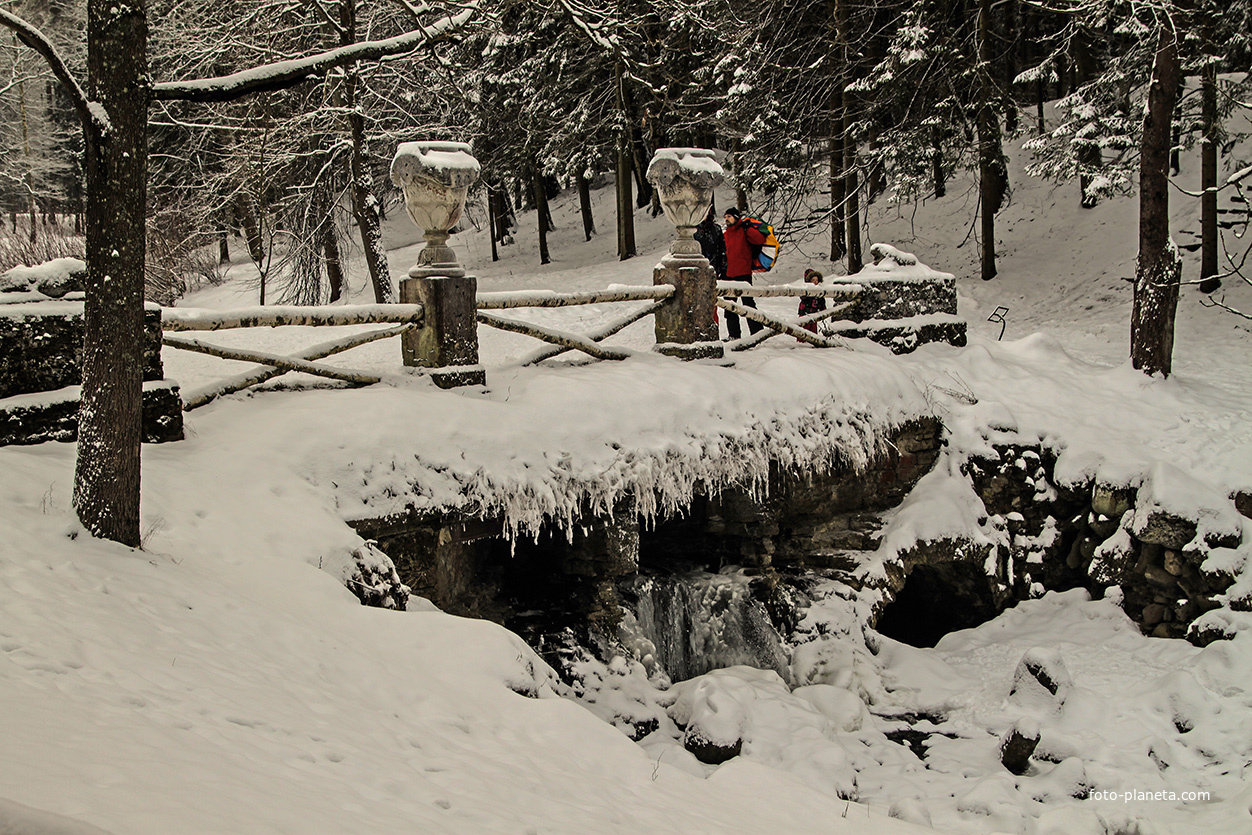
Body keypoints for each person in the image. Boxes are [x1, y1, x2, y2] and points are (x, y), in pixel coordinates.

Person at [722, 207, 766, 339]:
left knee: (748, 304)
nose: (726, 219)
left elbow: (759, 240)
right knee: (729, 307)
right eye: (725, 217)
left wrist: (749, 228)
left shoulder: (745, 230)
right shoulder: (725, 235)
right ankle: (734, 335)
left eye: (729, 216)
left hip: (743, 273)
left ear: (736, 217)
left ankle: (757, 333)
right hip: (728, 274)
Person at [797, 267, 826, 339]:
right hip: (805, 312)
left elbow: (822, 301)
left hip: (814, 313)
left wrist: (822, 307)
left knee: (813, 329)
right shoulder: (805, 289)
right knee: (804, 329)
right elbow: (803, 298)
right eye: (813, 280)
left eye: (816, 280)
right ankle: (802, 341)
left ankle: (813, 341)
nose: (815, 282)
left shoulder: (819, 290)